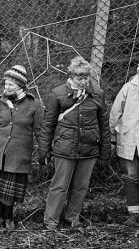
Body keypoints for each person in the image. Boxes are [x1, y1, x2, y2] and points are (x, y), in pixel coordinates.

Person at [39, 56, 111, 230]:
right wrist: (44, 150)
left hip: (89, 148)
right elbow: (48, 124)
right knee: (59, 186)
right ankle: (51, 220)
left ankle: (72, 217)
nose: (84, 81)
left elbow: (104, 125)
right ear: (70, 76)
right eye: (80, 77)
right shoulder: (58, 93)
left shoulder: (97, 94)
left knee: (81, 186)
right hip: (64, 148)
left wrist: (105, 152)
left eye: (86, 77)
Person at [0, 65, 44, 230]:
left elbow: (40, 131)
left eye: (10, 85)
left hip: (18, 155)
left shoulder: (34, 105)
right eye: (5, 84)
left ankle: (9, 217)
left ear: (21, 86)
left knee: (8, 192)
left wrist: (44, 152)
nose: (6, 88)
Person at [109, 55, 139, 223]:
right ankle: (134, 213)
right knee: (131, 176)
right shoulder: (128, 88)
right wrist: (113, 136)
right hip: (129, 139)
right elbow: (115, 113)